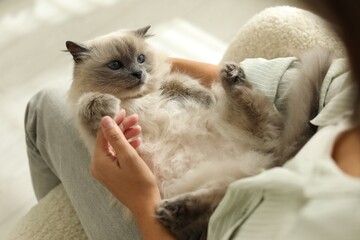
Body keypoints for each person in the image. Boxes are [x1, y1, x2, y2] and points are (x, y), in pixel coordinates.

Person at [25, 2, 360, 240]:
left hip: (177, 214)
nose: (137, 71)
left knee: (43, 106)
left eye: (140, 61)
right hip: (240, 160)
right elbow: (323, 81)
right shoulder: (346, 93)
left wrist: (143, 203)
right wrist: (157, 68)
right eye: (119, 66)